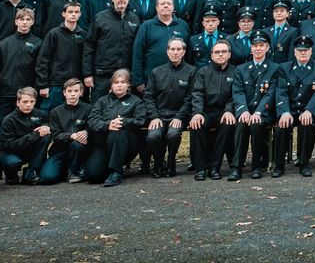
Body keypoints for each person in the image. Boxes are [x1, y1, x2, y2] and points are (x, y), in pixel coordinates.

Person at [229, 32, 283, 181]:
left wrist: (258, 112)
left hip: (264, 112)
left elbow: (270, 94)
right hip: (246, 111)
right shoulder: (241, 69)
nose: (258, 49)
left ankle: (256, 166)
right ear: (251, 49)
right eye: (255, 46)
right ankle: (237, 167)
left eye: (261, 46)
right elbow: (238, 92)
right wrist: (243, 111)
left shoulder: (274, 68)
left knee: (255, 125)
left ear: (267, 48)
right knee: (241, 124)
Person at [277, 35, 315, 177]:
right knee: (282, 125)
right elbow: (281, 91)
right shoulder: (285, 68)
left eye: (306, 50)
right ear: (294, 52)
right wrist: (284, 111)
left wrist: (310, 110)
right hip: (290, 109)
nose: (303, 53)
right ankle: (279, 165)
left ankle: (304, 163)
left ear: (311, 51)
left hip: (307, 108)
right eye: (300, 50)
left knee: (307, 124)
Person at [144, 38, 195, 178]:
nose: (175, 52)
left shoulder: (191, 72)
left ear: (184, 52)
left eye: (179, 49)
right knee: (153, 136)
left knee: (173, 135)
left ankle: (171, 162)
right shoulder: (156, 72)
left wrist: (179, 117)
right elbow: (148, 97)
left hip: (179, 115)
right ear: (167, 52)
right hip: (159, 115)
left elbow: (190, 98)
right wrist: (154, 116)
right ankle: (159, 163)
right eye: (172, 49)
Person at [87, 69, 146, 187]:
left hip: (127, 144)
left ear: (128, 84)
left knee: (117, 131)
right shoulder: (102, 101)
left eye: (123, 82)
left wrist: (122, 122)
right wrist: (108, 125)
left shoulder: (136, 101)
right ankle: (108, 168)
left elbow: (140, 121)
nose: (119, 85)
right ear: (111, 85)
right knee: (94, 176)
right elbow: (92, 120)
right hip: (104, 143)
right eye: (116, 82)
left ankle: (116, 172)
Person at [188, 40, 237, 181]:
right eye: (217, 52)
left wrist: (229, 110)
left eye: (223, 52)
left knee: (228, 125)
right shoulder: (203, 72)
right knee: (196, 125)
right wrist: (197, 113)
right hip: (206, 111)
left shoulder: (235, 72)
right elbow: (197, 93)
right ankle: (200, 168)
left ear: (229, 54)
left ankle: (215, 167)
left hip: (224, 111)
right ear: (211, 55)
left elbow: (236, 94)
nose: (220, 55)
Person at [83, 0, 141, 96]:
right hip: (102, 74)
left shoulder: (134, 19)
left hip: (126, 74)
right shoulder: (100, 18)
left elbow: (138, 49)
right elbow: (89, 47)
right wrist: (87, 74)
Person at [0, 7, 41, 120]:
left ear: (33, 22)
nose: (25, 22)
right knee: (2, 126)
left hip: (27, 95)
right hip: (5, 94)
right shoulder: (5, 43)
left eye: (28, 19)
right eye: (21, 19)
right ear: (16, 21)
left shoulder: (38, 43)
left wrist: (36, 92)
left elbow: (40, 69)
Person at [131, 0, 191, 93]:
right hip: (152, 78)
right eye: (162, 4)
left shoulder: (183, 25)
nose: (166, 6)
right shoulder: (146, 26)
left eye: (169, 4)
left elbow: (188, 53)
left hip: (178, 78)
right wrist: (138, 80)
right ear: (157, 7)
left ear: (173, 7)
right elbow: (138, 53)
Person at [36, 0, 84, 112]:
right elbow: (43, 60)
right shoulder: (54, 34)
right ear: (64, 14)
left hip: (76, 85)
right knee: (53, 114)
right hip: (56, 85)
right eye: (70, 11)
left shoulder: (83, 34)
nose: (73, 14)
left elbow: (86, 59)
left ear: (80, 14)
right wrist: (43, 85)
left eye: (76, 12)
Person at [40, 78, 90, 185]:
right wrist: (71, 135)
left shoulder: (88, 109)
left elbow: (92, 127)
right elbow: (56, 135)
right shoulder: (55, 112)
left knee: (78, 144)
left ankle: (73, 172)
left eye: (76, 91)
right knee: (48, 178)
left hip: (79, 149)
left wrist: (86, 132)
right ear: (64, 93)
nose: (72, 94)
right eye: (69, 91)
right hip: (60, 150)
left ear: (81, 93)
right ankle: (66, 170)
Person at [0, 87, 51, 184]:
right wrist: (35, 135)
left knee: (46, 135)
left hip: (31, 150)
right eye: (25, 102)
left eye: (32, 101)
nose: (29, 105)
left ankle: (32, 171)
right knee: (12, 162)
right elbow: (9, 145)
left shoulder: (40, 114)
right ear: (18, 102)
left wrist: (45, 126)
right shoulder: (8, 120)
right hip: (12, 152)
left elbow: (47, 122)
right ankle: (11, 176)